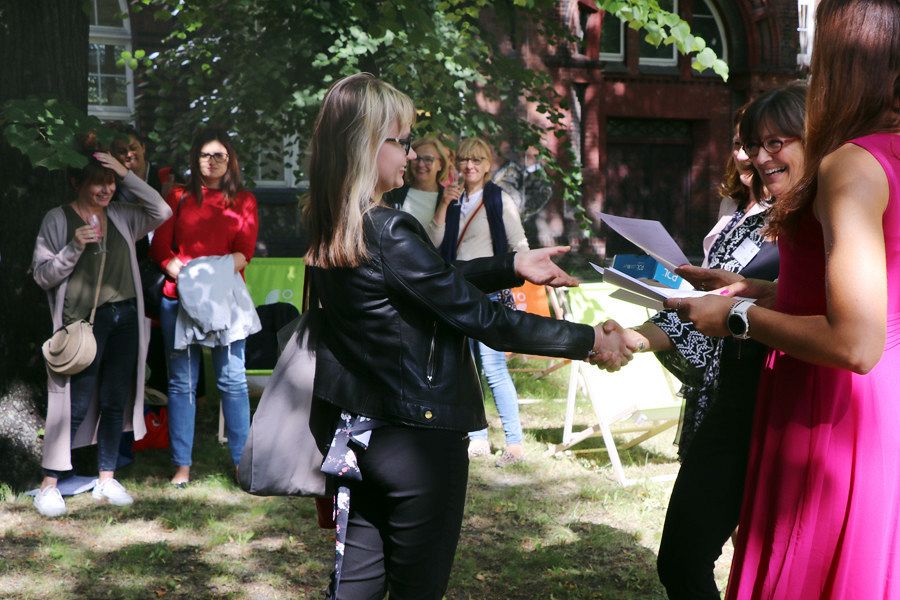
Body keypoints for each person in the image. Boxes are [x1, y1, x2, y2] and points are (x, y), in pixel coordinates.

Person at [303, 72, 635, 600]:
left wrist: (510, 265)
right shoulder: (387, 229)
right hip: (417, 441)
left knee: (353, 589)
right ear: (366, 145)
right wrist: (590, 340)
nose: (411, 154)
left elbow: (426, 282)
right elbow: (483, 318)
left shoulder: (337, 224)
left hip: (360, 435)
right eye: (401, 141)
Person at [670, 1, 900, 596]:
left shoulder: (854, 163)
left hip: (831, 406)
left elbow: (856, 343)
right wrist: (765, 289)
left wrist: (739, 317)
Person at [604, 86, 805, 600]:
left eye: (773, 142)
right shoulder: (740, 221)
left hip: (792, 407)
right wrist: (633, 337)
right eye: (748, 144)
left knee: (761, 560)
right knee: (686, 557)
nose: (756, 156)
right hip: (730, 398)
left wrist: (739, 308)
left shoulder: (821, 218)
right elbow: (704, 311)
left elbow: (834, 325)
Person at [30, 136, 172, 517]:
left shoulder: (122, 215)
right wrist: (73, 247)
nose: (106, 189)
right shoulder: (58, 219)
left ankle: (106, 478)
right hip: (82, 327)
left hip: (126, 318)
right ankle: (48, 485)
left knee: (115, 400)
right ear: (77, 182)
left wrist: (125, 173)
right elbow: (42, 276)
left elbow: (161, 209)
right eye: (98, 182)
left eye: (110, 182)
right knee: (72, 404)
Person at [149, 126, 259, 487]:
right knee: (182, 384)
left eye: (219, 155)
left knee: (233, 381)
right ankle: (181, 466)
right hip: (178, 300)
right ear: (194, 158)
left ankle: (242, 465)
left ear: (230, 160)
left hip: (226, 301)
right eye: (204, 155)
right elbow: (160, 248)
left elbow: (244, 252)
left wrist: (205, 281)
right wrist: (189, 282)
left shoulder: (244, 200)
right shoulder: (177, 196)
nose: (211, 161)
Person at [431, 136, 532, 465]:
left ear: (488, 165)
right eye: (464, 159)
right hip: (457, 291)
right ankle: (477, 437)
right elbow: (435, 241)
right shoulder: (453, 198)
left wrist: (526, 271)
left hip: (489, 292)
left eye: (477, 160)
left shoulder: (499, 199)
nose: (469, 166)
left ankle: (514, 443)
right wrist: (443, 205)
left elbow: (518, 242)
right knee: (466, 368)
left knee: (493, 367)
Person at [384, 135, 461, 229]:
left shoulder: (448, 200)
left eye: (428, 159)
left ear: (440, 164)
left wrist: (444, 204)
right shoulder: (393, 192)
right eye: (416, 158)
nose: (421, 164)